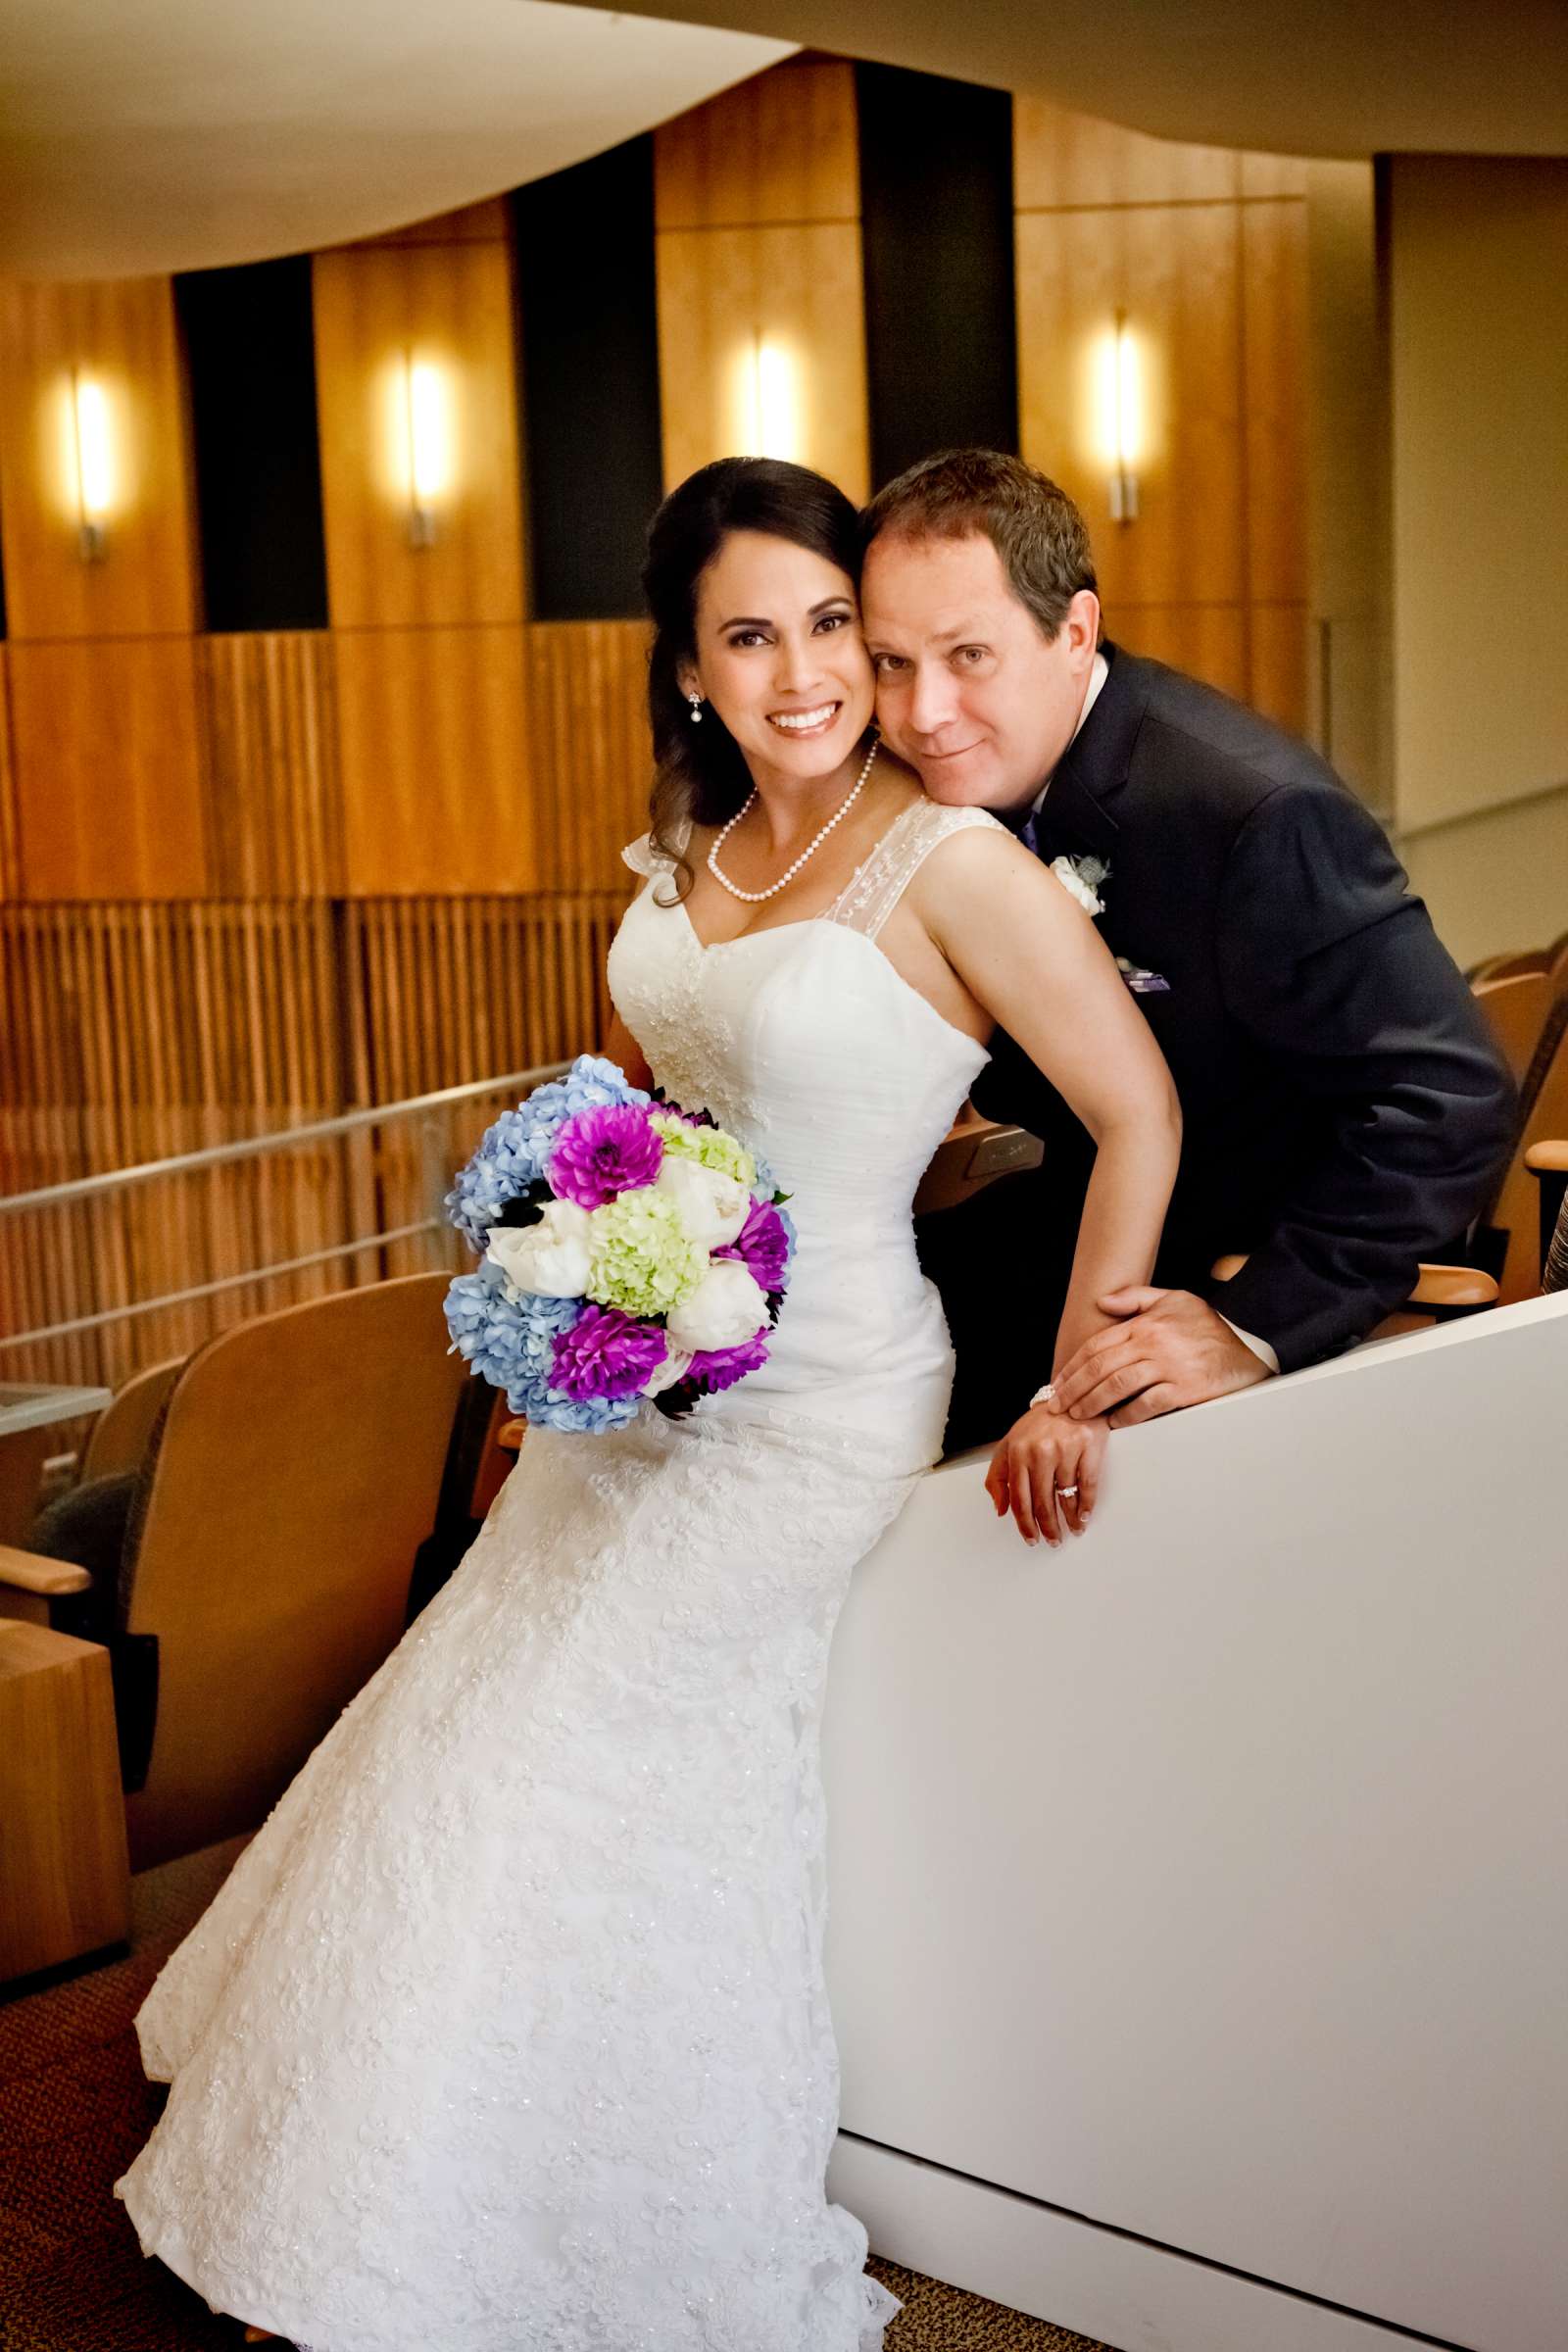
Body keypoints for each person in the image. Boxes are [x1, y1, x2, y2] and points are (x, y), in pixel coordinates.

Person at [112, 457, 1180, 2352]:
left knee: (561, 1742)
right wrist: (580, 1291)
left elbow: (1134, 1109)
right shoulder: (685, 860)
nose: (807, 672)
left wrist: (1089, 1360)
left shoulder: (954, 860)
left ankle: (483, 2211)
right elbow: (647, 1113)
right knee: (467, 1698)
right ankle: (372, 2152)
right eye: (751, 635)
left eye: (833, 623)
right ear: (688, 669)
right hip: (642, 1382)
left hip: (826, 1393)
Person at [859, 448, 1518, 1457]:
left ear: (1073, 632)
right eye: (889, 663)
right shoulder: (949, 799)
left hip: (1239, 1253)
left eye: (967, 656)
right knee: (825, 1336)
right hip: (1082, 1209)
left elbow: (1449, 1101)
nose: (920, 714)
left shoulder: (1247, 811)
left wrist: (1251, 1328)